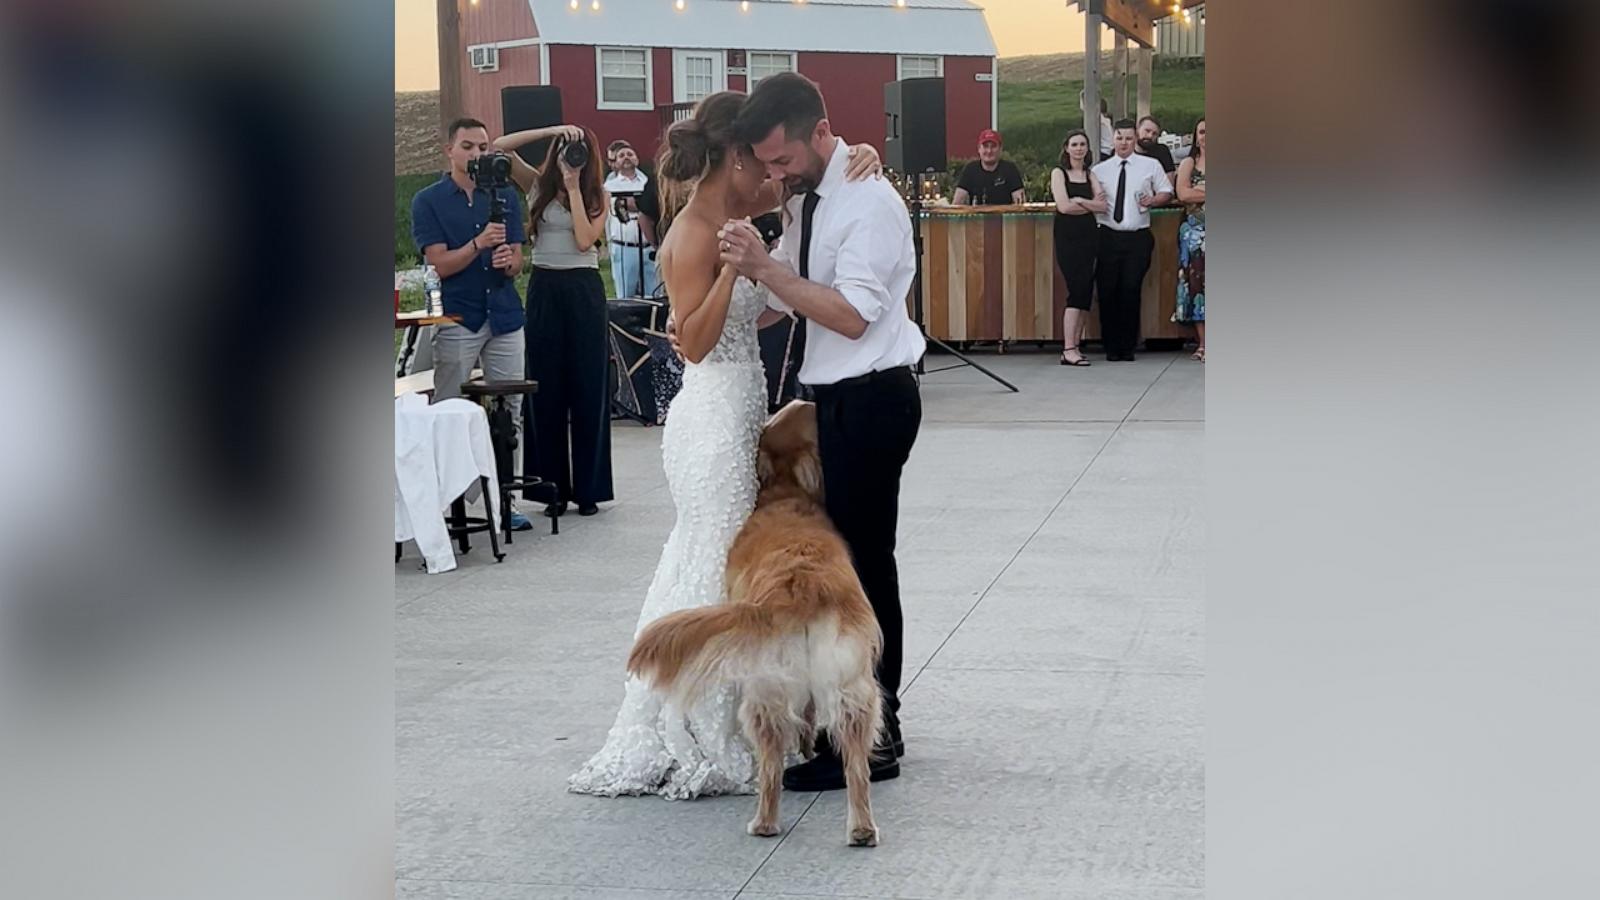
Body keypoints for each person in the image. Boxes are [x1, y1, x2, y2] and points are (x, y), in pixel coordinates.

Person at [568, 93, 882, 800]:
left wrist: (863, 156)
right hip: (710, 421)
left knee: (720, 562)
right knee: (713, 562)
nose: (775, 179)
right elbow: (698, 343)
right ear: (735, 158)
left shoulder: (734, 223)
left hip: (745, 412)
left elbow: (774, 291)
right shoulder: (691, 234)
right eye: (763, 165)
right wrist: (739, 270)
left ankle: (744, 712)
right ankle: (707, 725)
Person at [720, 71, 925, 793]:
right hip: (836, 397)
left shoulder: (868, 201)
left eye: (784, 161)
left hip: (875, 398)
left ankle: (877, 733)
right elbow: (796, 298)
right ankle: (850, 718)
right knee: (851, 562)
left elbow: (850, 315)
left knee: (866, 564)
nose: (777, 176)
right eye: (767, 165)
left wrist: (767, 269)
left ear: (820, 130)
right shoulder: (815, 194)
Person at [410, 116, 535, 530]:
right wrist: (478, 245)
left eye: (483, 147)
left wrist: (509, 260)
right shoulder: (429, 200)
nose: (477, 154)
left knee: (509, 410)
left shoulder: (503, 196)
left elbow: (517, 259)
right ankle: (449, 502)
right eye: (468, 146)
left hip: (503, 314)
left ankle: (504, 499)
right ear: (449, 150)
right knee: (450, 409)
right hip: (459, 315)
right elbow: (439, 264)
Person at [494, 124, 613, 518]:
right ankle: (551, 487)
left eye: (577, 149)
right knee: (545, 387)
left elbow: (584, 240)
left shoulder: (599, 194)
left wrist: (574, 186)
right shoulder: (535, 186)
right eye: (564, 149)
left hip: (583, 286)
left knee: (587, 384)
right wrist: (552, 130)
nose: (570, 155)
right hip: (545, 283)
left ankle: (589, 488)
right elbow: (498, 147)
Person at [1092, 119, 1173, 362]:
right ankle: (1110, 346)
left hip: (1137, 237)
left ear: (1135, 139)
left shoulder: (1151, 165)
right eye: (1119, 138)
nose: (1124, 142)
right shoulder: (1099, 170)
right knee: (1107, 291)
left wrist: (1154, 200)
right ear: (1113, 139)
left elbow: (1166, 191)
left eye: (1128, 138)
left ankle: (1127, 347)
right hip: (1107, 235)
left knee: (1130, 289)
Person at [1049, 129, 1109, 366]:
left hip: (1089, 236)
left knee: (1086, 290)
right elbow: (1063, 206)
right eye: (1074, 144)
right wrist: (1090, 205)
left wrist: (1082, 201)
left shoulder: (1090, 174)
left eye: (1082, 144)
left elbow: (1103, 206)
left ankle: (1075, 345)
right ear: (1066, 147)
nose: (1079, 148)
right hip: (1067, 237)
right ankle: (1068, 347)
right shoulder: (1059, 173)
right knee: (1076, 288)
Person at [603, 140, 661, 299]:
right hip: (624, 247)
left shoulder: (648, 182)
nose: (626, 157)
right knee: (625, 296)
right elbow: (621, 207)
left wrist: (633, 203)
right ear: (615, 163)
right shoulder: (609, 186)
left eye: (630, 154)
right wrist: (643, 203)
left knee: (654, 294)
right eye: (621, 155)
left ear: (637, 159)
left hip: (649, 247)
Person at [1173, 117, 1206, 361]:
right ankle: (1204, 343)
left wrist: (1200, 193)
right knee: (1196, 288)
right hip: (1193, 236)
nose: (1207, 136)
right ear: (1196, 136)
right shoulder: (1188, 163)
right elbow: (1183, 193)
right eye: (1202, 131)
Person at [952, 129, 1026, 206]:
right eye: (985, 146)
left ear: (1000, 149)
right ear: (979, 149)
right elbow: (957, 203)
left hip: (1003, 216)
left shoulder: (1010, 169)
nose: (989, 151)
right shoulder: (970, 169)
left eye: (993, 147)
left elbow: (1020, 204)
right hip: (977, 217)